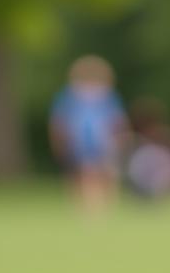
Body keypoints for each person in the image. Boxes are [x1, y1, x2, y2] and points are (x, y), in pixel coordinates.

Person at [49, 56, 128, 209]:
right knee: (84, 172)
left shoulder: (108, 96)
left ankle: (103, 205)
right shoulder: (69, 96)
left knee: (106, 172)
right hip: (78, 141)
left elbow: (117, 120)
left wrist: (120, 138)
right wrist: (59, 140)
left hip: (103, 141)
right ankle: (87, 206)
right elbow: (59, 121)